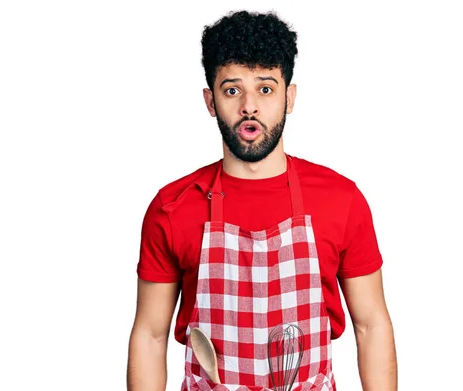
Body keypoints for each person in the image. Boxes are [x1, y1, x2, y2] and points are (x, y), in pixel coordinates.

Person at [127, 10, 397, 391]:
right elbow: (150, 337)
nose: (249, 107)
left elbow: (371, 325)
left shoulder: (342, 199)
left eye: (265, 88)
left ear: (289, 97)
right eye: (232, 90)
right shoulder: (172, 207)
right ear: (210, 101)